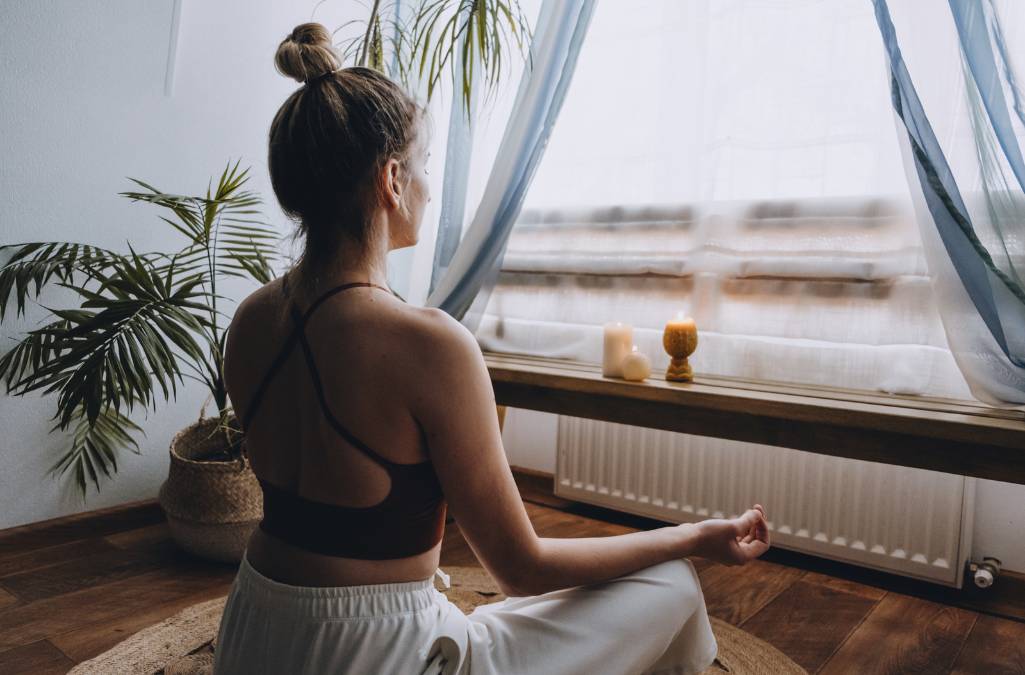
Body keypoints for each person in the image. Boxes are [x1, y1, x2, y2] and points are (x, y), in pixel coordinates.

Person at [213, 22, 770, 675]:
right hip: (373, 657)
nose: (427, 184)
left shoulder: (250, 321)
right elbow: (522, 567)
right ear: (390, 179)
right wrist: (694, 536)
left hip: (252, 636)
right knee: (670, 581)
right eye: (422, 167)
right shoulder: (427, 343)